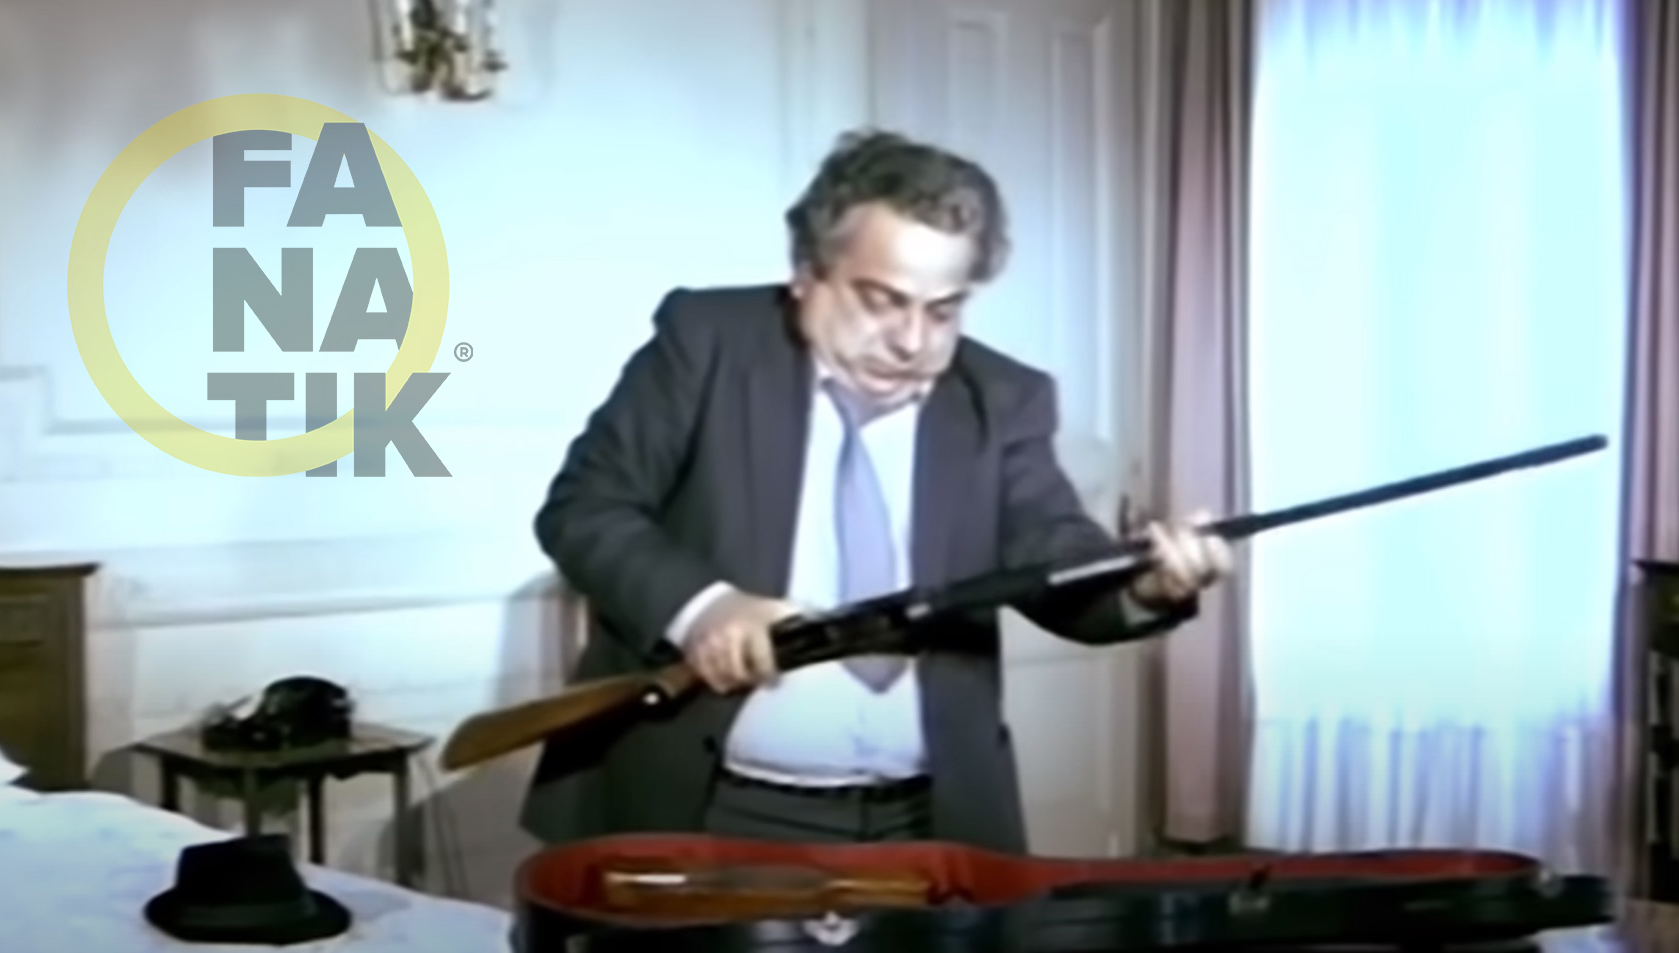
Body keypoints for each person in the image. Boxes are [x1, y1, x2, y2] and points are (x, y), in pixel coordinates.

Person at [518, 129, 1233, 854]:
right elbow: (585, 508)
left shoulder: (1002, 398)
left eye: (942, 310)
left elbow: (1054, 557)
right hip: (711, 811)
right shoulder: (707, 343)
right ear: (808, 273)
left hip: (930, 824)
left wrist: (1145, 583)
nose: (912, 342)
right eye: (883, 300)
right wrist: (706, 609)